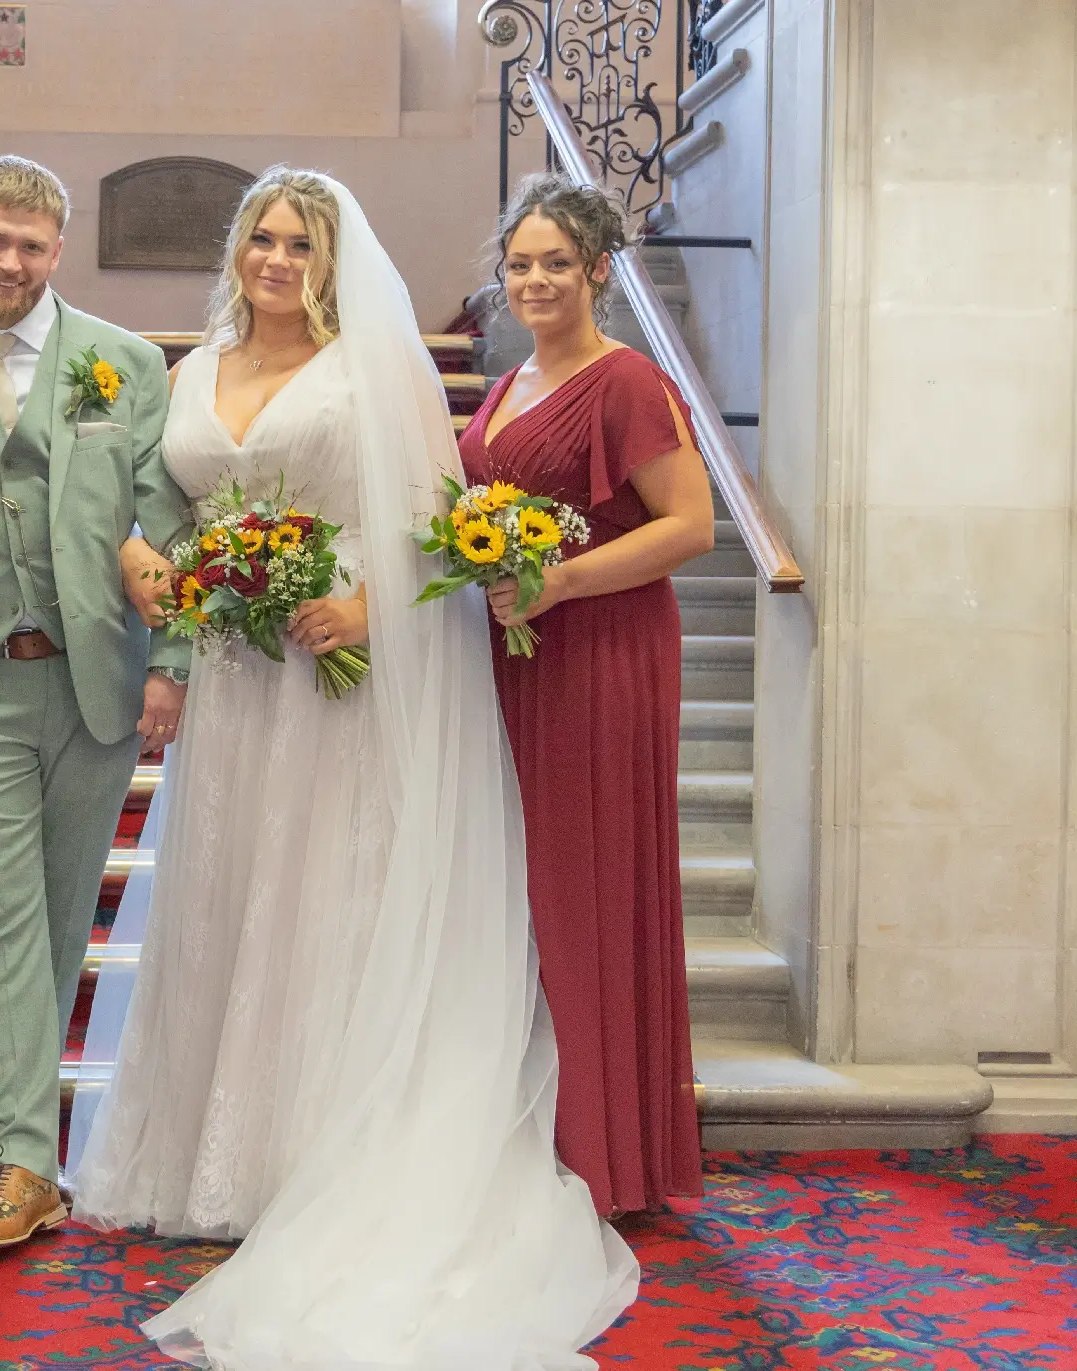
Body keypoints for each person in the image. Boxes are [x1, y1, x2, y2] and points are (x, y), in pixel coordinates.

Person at [67, 167, 637, 1367]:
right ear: (236, 251)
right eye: (261, 239)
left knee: (323, 888)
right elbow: (164, 508)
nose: (277, 260)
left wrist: (367, 608)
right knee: (230, 889)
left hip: (340, 660)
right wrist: (149, 558)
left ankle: (313, 1154)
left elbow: (435, 518)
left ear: (330, 263)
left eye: (300, 244)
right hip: (236, 667)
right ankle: (208, 1153)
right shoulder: (193, 372)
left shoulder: (371, 368)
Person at [0, 155, 194, 1257]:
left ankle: (28, 1151)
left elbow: (167, 521)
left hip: (93, 676)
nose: (9, 262)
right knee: (3, 918)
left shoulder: (123, 363)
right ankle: (18, 1161)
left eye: (29, 245)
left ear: (57, 249)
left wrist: (172, 661)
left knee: (62, 920)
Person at [460, 172, 712, 1215]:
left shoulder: (626, 381)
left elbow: (689, 527)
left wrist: (557, 582)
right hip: (517, 653)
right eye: (519, 263)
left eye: (555, 263)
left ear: (599, 270)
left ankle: (605, 1151)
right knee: (524, 893)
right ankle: (541, 1128)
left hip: (601, 652)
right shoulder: (511, 380)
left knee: (583, 885)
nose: (533, 280)